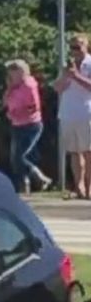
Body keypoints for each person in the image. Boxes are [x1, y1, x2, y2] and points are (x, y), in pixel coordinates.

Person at [3, 59, 52, 194]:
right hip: (17, 124)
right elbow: (6, 102)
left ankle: (39, 176)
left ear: (21, 72)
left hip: (30, 124)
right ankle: (24, 186)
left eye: (13, 72)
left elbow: (34, 106)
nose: (10, 76)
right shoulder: (13, 86)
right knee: (15, 159)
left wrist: (19, 113)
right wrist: (9, 88)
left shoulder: (29, 85)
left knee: (20, 156)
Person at [54, 34, 91, 199]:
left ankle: (90, 187)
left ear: (86, 46)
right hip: (68, 113)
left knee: (89, 151)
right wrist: (65, 76)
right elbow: (57, 88)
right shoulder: (67, 66)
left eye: (79, 46)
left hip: (86, 112)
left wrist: (76, 76)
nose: (75, 51)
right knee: (74, 153)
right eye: (73, 47)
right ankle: (79, 187)